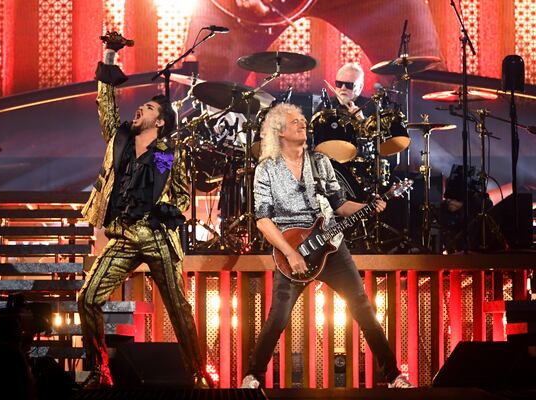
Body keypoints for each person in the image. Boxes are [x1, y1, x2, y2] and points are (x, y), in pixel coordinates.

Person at [240, 103, 413, 388]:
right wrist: (290, 252)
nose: (303, 124)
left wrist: (369, 206)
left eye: (302, 120)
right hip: (291, 249)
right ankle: (253, 375)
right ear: (280, 131)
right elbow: (262, 220)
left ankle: (393, 375)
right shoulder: (266, 169)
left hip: (332, 246)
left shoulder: (320, 162)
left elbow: (340, 205)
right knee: (278, 315)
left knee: (363, 308)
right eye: (295, 121)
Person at [78, 32, 210, 389]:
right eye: (142, 107)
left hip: (156, 237)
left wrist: (169, 211)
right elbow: (106, 104)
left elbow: (182, 195)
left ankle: (198, 371)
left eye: (150, 108)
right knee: (87, 298)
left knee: (179, 307)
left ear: (161, 121)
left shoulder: (168, 153)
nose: (141, 109)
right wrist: (108, 56)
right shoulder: (119, 138)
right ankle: (100, 369)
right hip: (121, 235)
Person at [186, 0, 442, 83]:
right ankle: (167, 178)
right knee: (203, 90)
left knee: (422, 68)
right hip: (245, 8)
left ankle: (435, 185)